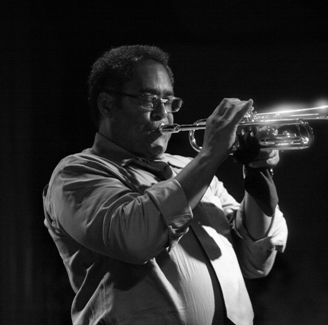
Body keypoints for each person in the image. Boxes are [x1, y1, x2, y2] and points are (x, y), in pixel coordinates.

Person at [42, 45, 288, 325]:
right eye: (149, 100)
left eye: (170, 103)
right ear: (107, 105)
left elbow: (255, 261)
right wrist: (209, 157)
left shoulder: (190, 169)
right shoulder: (77, 173)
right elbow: (136, 239)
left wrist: (258, 172)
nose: (164, 114)